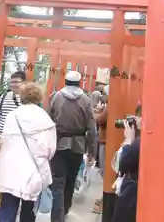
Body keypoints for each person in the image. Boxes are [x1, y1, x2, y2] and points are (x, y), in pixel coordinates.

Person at [0, 82, 56, 222]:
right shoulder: (45, 119)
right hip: (33, 169)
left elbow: (3, 140)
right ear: (39, 97)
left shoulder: (12, 115)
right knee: (29, 207)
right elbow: (50, 149)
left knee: (8, 205)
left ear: (22, 96)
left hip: (10, 167)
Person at [48, 71, 96, 222]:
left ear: (66, 81)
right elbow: (92, 129)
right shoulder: (86, 100)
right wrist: (91, 151)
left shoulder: (56, 97)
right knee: (70, 180)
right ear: (79, 83)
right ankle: (66, 208)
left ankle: (57, 217)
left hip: (59, 144)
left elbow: (48, 121)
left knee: (57, 182)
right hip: (78, 146)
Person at [0, 70, 26, 215]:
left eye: (16, 82)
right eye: (11, 82)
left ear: (24, 83)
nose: (13, 85)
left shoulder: (27, 99)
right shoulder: (4, 96)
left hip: (17, 141)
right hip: (0, 137)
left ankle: (10, 201)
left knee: (12, 170)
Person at [111, 104, 142, 222]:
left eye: (140, 116)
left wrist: (129, 141)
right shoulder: (139, 140)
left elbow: (122, 165)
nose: (137, 120)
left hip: (131, 194)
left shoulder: (139, 143)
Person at [92, 85, 109, 214]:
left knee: (105, 171)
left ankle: (105, 200)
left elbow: (100, 119)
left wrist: (97, 111)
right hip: (107, 140)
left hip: (105, 141)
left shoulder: (109, 106)